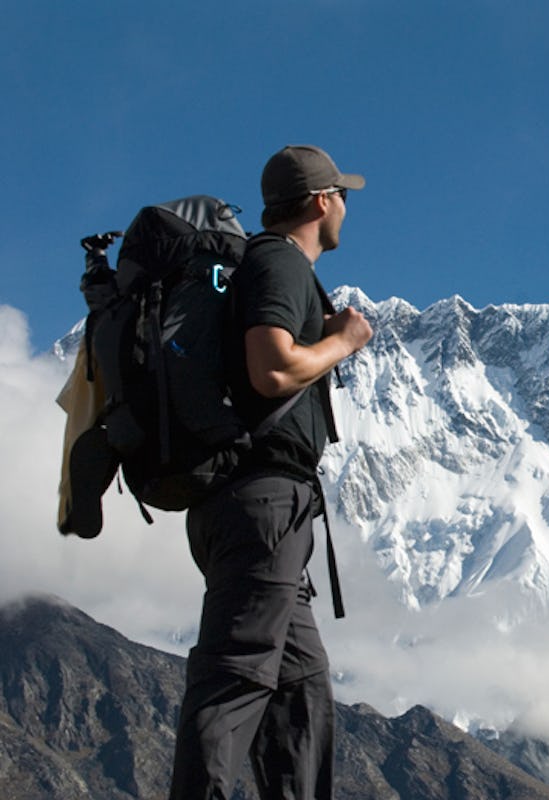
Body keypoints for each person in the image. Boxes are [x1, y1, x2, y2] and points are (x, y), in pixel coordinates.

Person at [169, 145, 373, 800]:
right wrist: (343, 340)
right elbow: (274, 368)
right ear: (320, 200)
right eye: (342, 193)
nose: (346, 205)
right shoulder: (279, 262)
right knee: (234, 683)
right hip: (261, 506)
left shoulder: (265, 265)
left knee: (300, 696)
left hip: (261, 510)